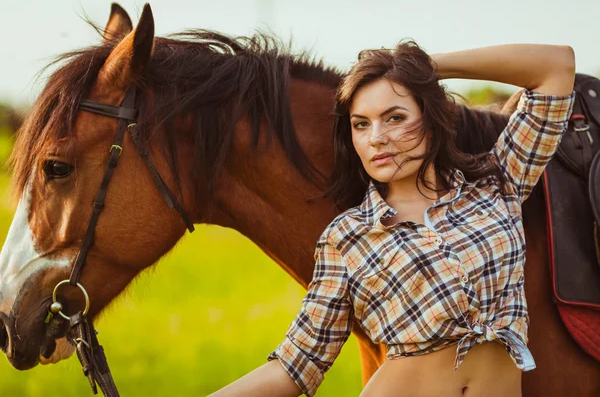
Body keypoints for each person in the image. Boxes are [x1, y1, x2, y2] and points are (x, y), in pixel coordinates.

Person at [210, 42, 576, 396]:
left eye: (395, 118)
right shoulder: (348, 237)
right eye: (361, 124)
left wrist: (425, 67)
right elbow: (297, 364)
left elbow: (556, 68)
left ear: (431, 120)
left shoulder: (498, 185)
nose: (377, 138)